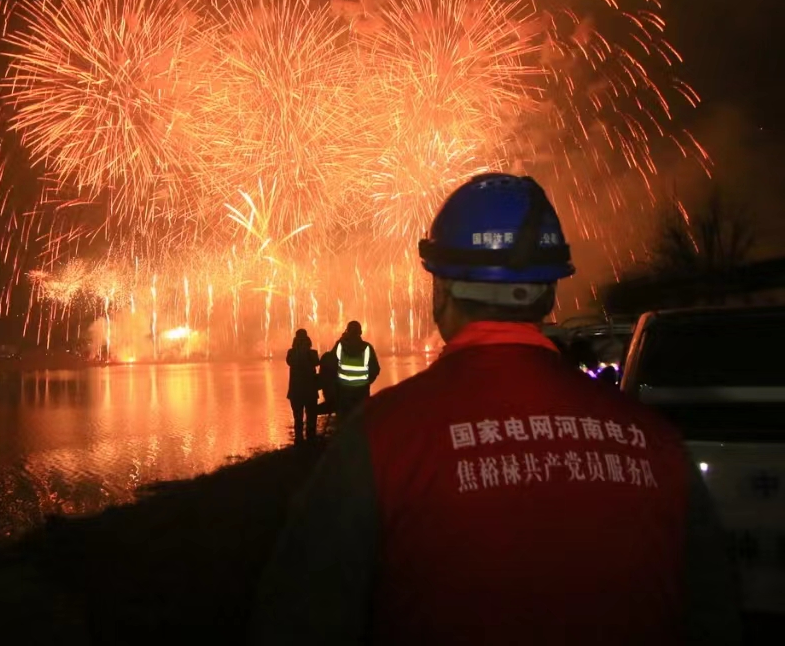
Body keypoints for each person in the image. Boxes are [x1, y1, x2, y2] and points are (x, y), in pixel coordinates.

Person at [251, 174, 740, 645]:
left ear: (440, 290)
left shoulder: (382, 440)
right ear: (550, 291)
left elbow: (298, 619)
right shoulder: (655, 442)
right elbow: (714, 619)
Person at [327, 320, 380, 418]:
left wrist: (341, 339)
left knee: (344, 419)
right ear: (360, 332)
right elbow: (375, 369)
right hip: (361, 390)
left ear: (347, 331)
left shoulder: (340, 346)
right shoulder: (367, 347)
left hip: (344, 390)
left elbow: (330, 363)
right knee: (361, 419)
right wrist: (366, 381)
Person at [286, 328, 321, 443]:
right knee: (309, 418)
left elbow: (292, 361)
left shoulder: (292, 353)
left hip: (296, 393)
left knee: (299, 419)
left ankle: (300, 441)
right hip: (309, 392)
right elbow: (316, 362)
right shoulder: (311, 353)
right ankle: (309, 440)